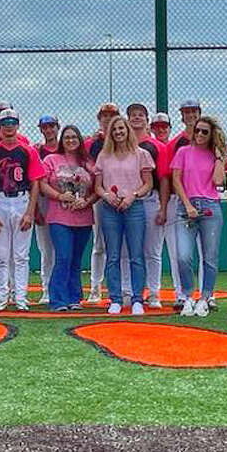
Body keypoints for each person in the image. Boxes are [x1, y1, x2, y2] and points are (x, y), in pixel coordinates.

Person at [0, 109, 44, 311]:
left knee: (21, 255)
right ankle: (1, 297)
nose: (8, 126)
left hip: (22, 200)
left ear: (18, 124)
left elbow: (35, 182)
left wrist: (30, 212)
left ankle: (21, 297)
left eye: (12, 122)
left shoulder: (28, 150)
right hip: (0, 200)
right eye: (4, 122)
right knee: (1, 255)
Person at [93, 115, 154, 315]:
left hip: (134, 207)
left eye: (121, 129)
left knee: (136, 255)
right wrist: (107, 196)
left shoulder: (141, 154)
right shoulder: (103, 156)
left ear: (127, 130)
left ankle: (137, 299)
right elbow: (98, 186)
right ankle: (115, 299)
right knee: (113, 256)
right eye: (115, 130)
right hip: (110, 209)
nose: (118, 132)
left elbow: (148, 183)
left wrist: (133, 195)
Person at [171, 115, 227, 317]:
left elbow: (218, 181)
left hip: (210, 207)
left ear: (211, 134)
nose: (200, 134)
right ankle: (187, 296)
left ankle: (205, 297)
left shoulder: (215, 155)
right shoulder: (183, 152)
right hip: (185, 208)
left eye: (205, 131)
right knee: (183, 256)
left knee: (210, 257)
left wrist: (221, 157)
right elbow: (176, 180)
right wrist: (187, 205)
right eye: (197, 130)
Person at [38, 125, 96, 310]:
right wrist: (59, 196)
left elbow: (97, 188)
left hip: (84, 217)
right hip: (59, 216)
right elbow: (42, 184)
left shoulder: (87, 162)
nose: (70, 140)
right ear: (62, 140)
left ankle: (74, 298)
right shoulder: (51, 159)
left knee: (76, 259)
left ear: (79, 140)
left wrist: (87, 201)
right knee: (63, 256)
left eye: (74, 137)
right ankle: (58, 299)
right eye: (67, 137)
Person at [158, 99, 205, 310]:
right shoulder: (175, 143)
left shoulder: (209, 139)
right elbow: (167, 176)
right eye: (186, 112)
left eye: (193, 111)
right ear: (182, 116)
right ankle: (181, 294)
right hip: (179, 199)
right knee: (179, 252)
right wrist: (165, 203)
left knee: (204, 250)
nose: (190, 115)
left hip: (205, 198)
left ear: (199, 113)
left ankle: (206, 294)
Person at [127, 103, 166, 308]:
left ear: (146, 119)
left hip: (151, 199)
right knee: (128, 250)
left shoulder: (157, 146)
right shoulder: (120, 144)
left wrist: (164, 207)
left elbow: (164, 179)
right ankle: (128, 292)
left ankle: (153, 292)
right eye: (133, 115)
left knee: (152, 250)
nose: (136, 118)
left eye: (140, 115)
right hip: (127, 202)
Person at [33, 115, 61, 304]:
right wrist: (35, 209)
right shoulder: (37, 151)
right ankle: (47, 289)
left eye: (51, 126)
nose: (49, 130)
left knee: (63, 249)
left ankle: (62, 288)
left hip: (63, 201)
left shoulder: (66, 147)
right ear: (41, 129)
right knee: (46, 249)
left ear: (57, 127)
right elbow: (34, 182)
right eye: (45, 127)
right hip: (43, 200)